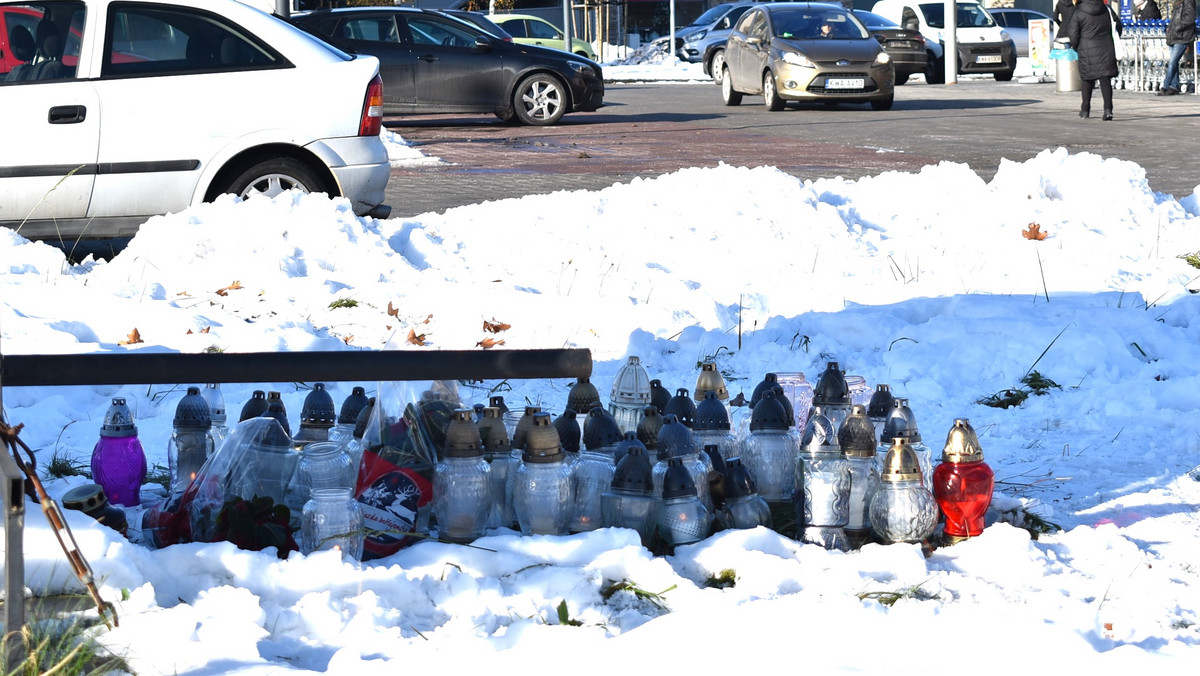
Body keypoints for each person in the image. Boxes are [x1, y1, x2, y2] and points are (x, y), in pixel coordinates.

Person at [1067, 0, 1123, 120]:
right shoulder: (1107, 9)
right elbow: (1118, 25)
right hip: (1106, 47)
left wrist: (1077, 46)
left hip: (1086, 48)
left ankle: (1085, 110)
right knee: (1105, 79)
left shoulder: (1079, 12)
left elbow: (1073, 33)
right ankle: (1108, 110)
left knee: (1087, 79)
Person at [1158, 0, 1196, 95]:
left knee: (1172, 62)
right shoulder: (1177, 2)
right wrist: (1171, 28)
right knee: (1173, 63)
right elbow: (1174, 19)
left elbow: (1189, 19)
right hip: (1174, 36)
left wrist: (1177, 26)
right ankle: (1174, 86)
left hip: (1183, 36)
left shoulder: (1189, 2)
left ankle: (1165, 86)